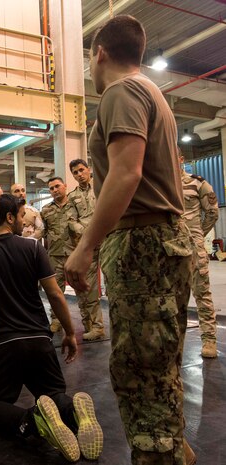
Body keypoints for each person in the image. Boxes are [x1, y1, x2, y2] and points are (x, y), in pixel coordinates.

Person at [64, 15, 196, 465]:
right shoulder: (151, 90)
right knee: (160, 363)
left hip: (143, 242)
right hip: (162, 241)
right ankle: (175, 448)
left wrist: (86, 246)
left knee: (139, 369)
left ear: (98, 52)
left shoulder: (121, 92)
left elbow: (126, 171)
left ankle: (160, 456)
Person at [0, 194, 103, 462]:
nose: (25, 220)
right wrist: (71, 333)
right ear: (9, 217)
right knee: (53, 394)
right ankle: (73, 411)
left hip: (6, 344)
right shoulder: (33, 247)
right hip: (40, 339)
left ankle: (34, 419)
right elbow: (55, 295)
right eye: (22, 214)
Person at [179, 151, 219, 358]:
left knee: (202, 294)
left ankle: (209, 340)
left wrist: (197, 234)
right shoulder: (159, 185)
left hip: (194, 249)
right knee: (173, 299)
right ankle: (175, 343)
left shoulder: (198, 184)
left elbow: (212, 212)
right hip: (169, 251)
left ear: (181, 159)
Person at [67, 159, 105, 340]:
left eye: (81, 170)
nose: (79, 174)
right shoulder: (72, 197)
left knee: (114, 282)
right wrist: (86, 232)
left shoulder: (102, 185)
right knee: (90, 287)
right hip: (88, 243)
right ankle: (97, 327)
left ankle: (119, 322)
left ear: (88, 169)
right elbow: (71, 220)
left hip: (107, 238)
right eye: (75, 172)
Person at [41, 177, 74, 333]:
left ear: (65, 186)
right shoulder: (46, 210)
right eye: (51, 188)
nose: (55, 190)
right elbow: (42, 231)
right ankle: (56, 320)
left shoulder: (75, 206)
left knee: (85, 293)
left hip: (75, 255)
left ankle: (93, 325)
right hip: (55, 255)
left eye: (57, 186)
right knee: (55, 292)